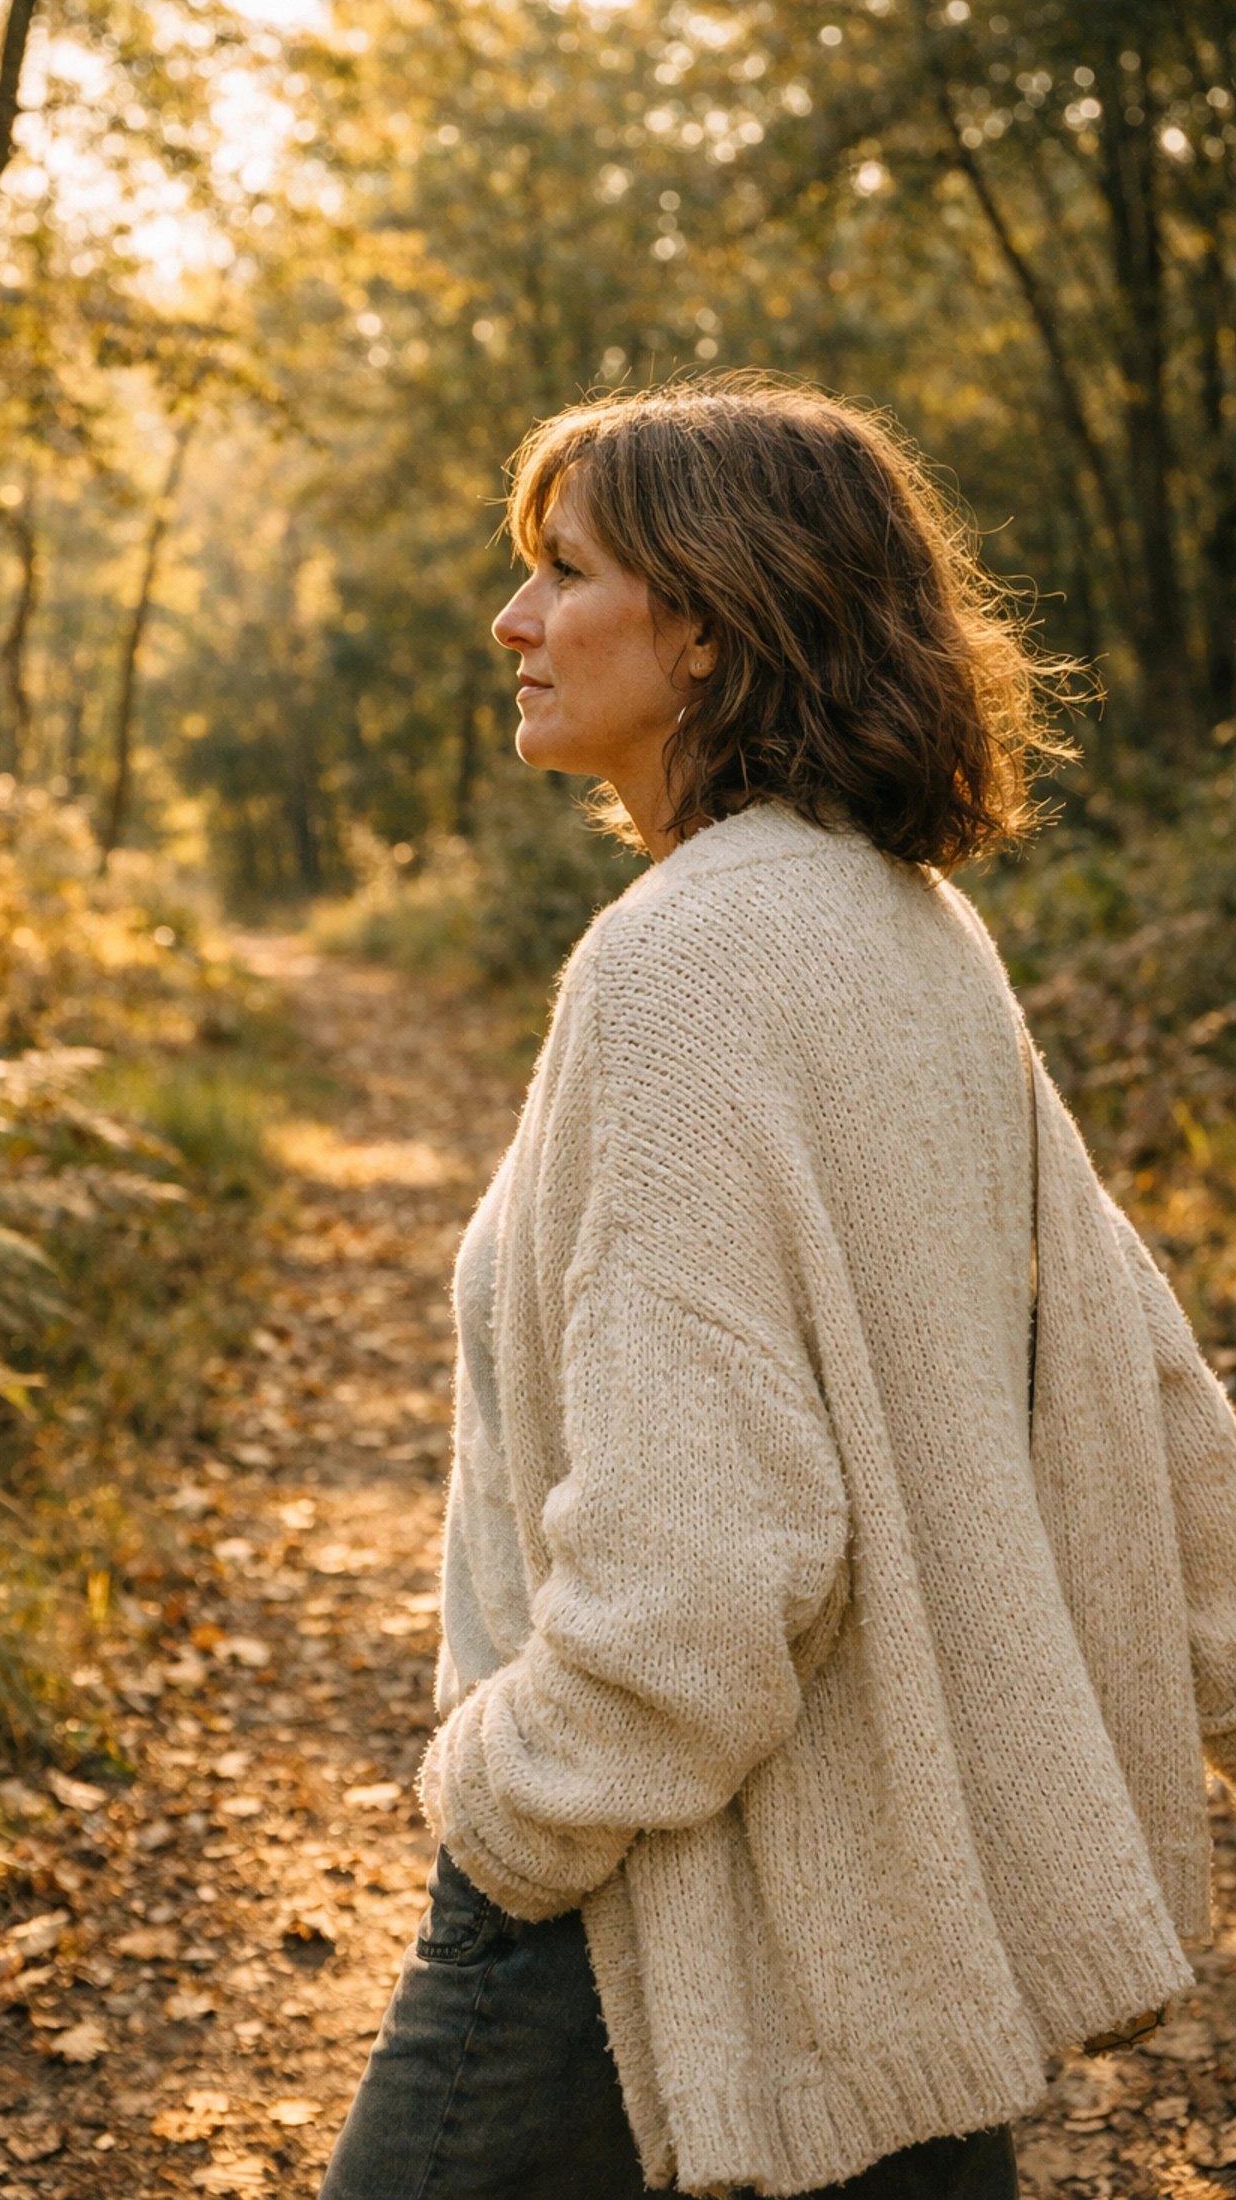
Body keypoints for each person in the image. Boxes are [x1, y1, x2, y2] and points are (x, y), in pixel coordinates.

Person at [318, 374, 1236, 2200]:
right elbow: (1140, 1382)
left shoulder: (687, 963)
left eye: (562, 572)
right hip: (895, 1908)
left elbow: (704, 1559)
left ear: (715, 628)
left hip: (653, 1908)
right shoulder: (899, 918)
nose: (511, 623)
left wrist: (508, 1810)